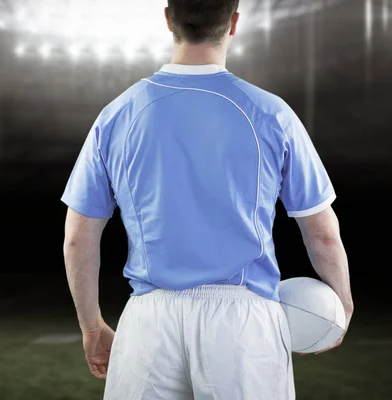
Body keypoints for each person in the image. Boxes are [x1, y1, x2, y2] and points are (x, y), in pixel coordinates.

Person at [61, 0, 354, 398]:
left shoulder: (117, 115)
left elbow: (79, 237)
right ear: (233, 23)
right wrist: (343, 305)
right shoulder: (271, 113)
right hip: (243, 324)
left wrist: (92, 326)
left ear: (168, 19)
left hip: (149, 321)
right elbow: (321, 234)